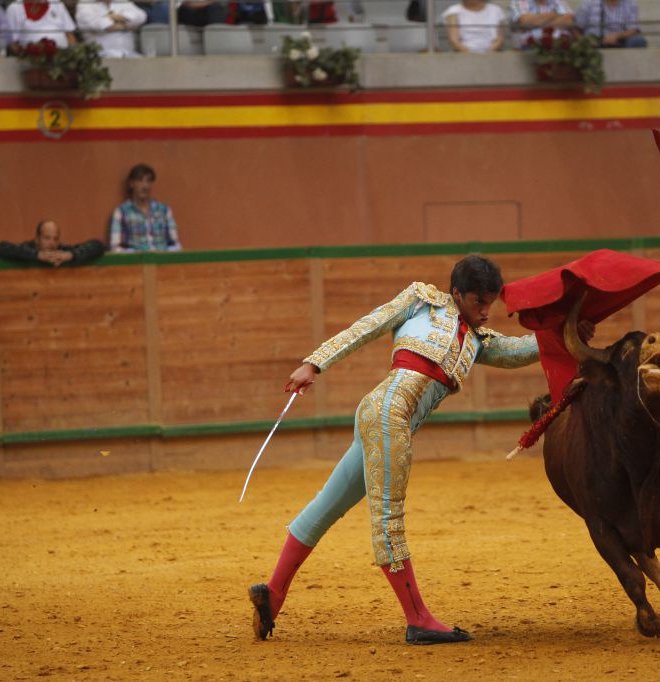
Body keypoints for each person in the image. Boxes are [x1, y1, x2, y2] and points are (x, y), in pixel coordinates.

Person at [249, 256, 560, 646]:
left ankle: (272, 594)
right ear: (457, 294)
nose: (486, 310)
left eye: (491, 302)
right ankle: (418, 619)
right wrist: (314, 363)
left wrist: (561, 332)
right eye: (479, 301)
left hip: (382, 417)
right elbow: (368, 325)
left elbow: (517, 351)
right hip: (389, 417)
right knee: (388, 519)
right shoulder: (420, 301)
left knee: (325, 506)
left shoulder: (477, 340)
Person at [109, 163, 182, 252]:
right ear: (131, 184)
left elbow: (175, 244)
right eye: (140, 181)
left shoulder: (164, 210)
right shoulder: (121, 212)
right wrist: (140, 257)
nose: (145, 186)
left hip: (163, 262)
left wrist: (164, 257)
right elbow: (116, 248)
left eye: (148, 181)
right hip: (135, 263)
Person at [0, 219, 106, 267]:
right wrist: (37, 255)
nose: (51, 243)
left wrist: (71, 255)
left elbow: (98, 245)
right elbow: (0, 248)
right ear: (37, 239)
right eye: (47, 238)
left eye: (55, 239)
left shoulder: (61, 251)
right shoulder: (29, 248)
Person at [75, 0, 146, 56]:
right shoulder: (85, 3)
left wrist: (111, 17)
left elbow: (141, 16)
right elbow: (95, 23)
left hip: (128, 54)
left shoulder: (122, 1)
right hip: (100, 56)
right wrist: (124, 24)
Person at [4, 0, 76, 52]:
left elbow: (70, 35)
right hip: (32, 61)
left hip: (62, 59)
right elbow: (13, 44)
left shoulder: (56, 3)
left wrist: (72, 56)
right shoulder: (14, 8)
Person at [574, 0, 646, 48]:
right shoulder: (589, 2)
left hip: (619, 41)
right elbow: (576, 27)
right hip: (592, 43)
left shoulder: (630, 3)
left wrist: (617, 36)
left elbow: (633, 29)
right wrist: (584, 41)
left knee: (638, 41)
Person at [442, 0, 507, 53]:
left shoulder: (496, 10)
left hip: (492, 54)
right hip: (463, 55)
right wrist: (472, 55)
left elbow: (499, 40)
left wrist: (488, 54)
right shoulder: (453, 11)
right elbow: (454, 40)